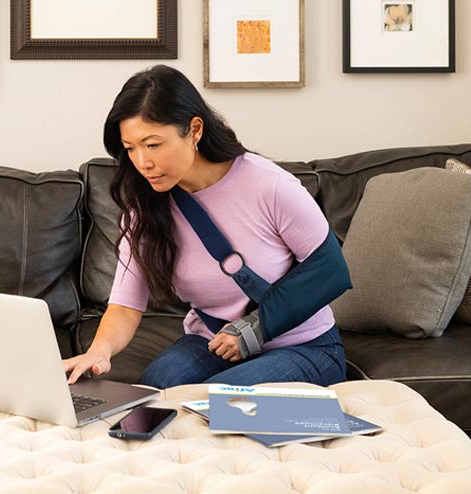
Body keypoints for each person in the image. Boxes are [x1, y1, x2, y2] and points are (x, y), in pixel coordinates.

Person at [63, 65, 347, 389]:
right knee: (158, 389)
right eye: (131, 148)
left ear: (194, 130)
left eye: (153, 144)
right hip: (213, 343)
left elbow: (331, 268)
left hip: (302, 345)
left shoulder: (268, 184)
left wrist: (256, 327)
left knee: (223, 400)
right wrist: (99, 352)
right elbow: (126, 306)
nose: (142, 163)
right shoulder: (146, 206)